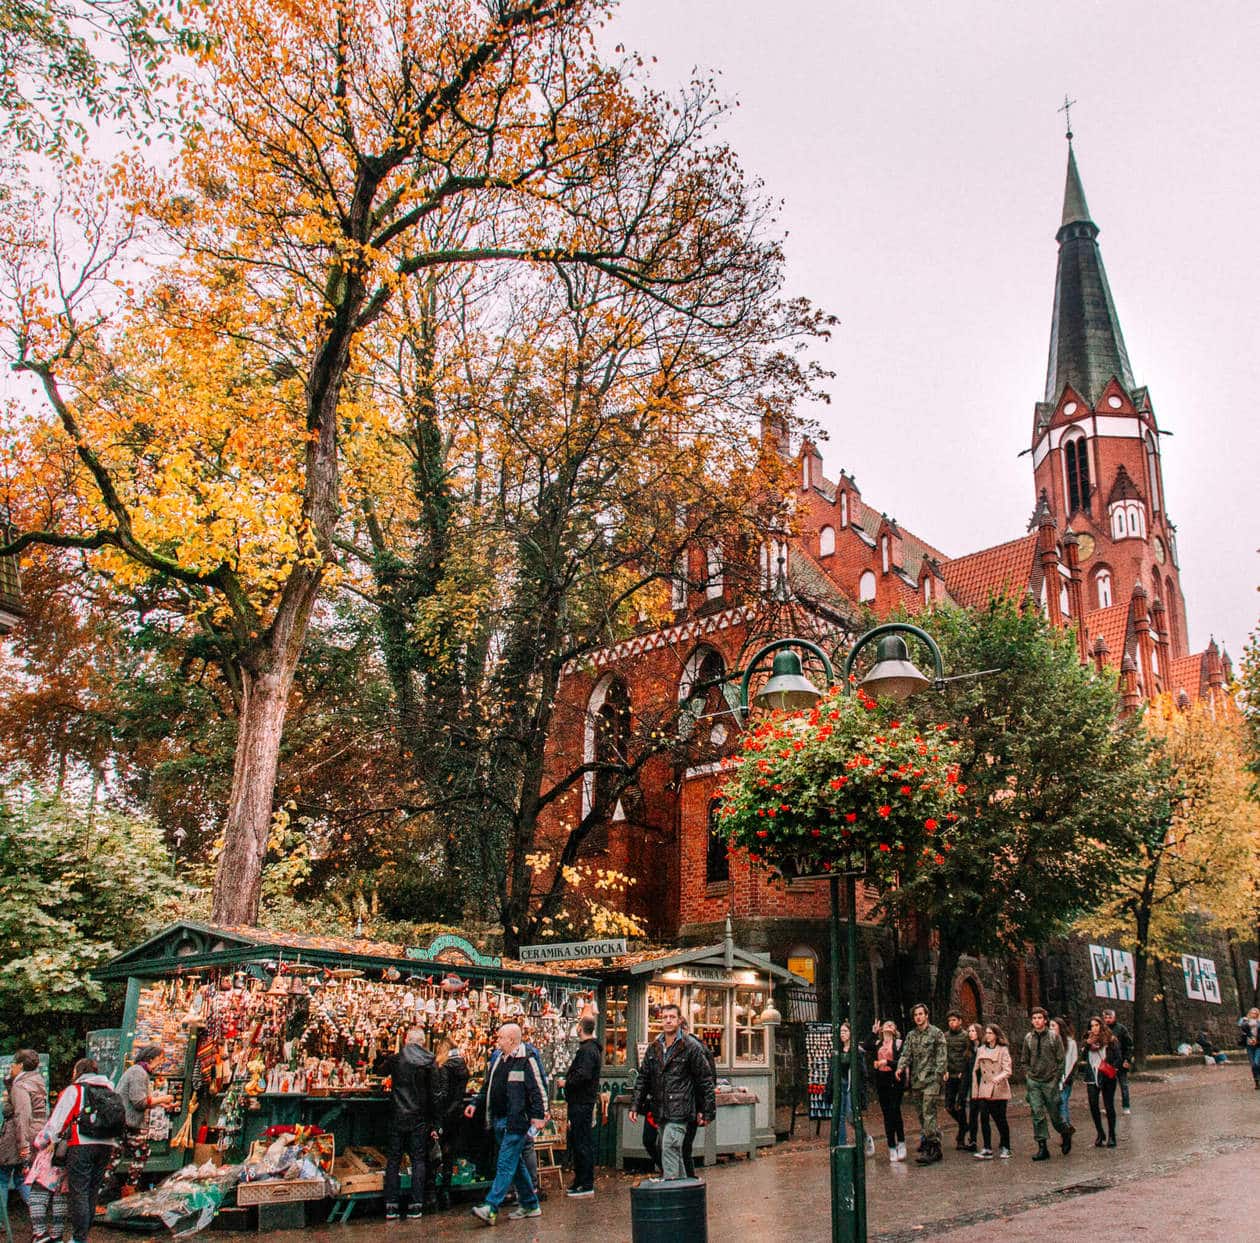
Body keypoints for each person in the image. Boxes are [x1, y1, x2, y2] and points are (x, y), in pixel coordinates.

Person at [34, 1057, 123, 1243]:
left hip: (81, 1144)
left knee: (79, 1192)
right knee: (92, 1191)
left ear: (78, 1071)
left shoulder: (75, 1090)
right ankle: (83, 1235)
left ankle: (78, 1238)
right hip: (106, 1145)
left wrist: (45, 1140)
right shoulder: (109, 1089)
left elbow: (58, 1121)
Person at [466, 1023, 546, 1226]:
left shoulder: (527, 1059)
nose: (497, 1041)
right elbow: (488, 1085)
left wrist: (541, 1114)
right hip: (499, 1120)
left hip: (517, 1121)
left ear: (511, 1040)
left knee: (504, 1163)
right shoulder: (497, 1058)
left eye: (501, 1037)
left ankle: (491, 1207)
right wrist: (476, 1103)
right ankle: (530, 1204)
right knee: (515, 1164)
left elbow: (538, 1088)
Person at [629, 1003, 715, 1181]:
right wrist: (635, 1105)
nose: (668, 1020)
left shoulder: (691, 1046)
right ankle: (684, 1190)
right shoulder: (655, 1047)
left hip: (680, 1109)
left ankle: (669, 1190)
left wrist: (707, 1111)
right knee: (672, 1151)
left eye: (672, 1017)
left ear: (679, 1020)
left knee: (669, 1146)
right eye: (665, 1017)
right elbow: (644, 1077)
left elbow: (705, 1080)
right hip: (661, 1109)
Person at [384, 1025, 437, 1221]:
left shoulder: (396, 1059)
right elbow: (434, 1093)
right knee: (418, 1160)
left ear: (406, 1040)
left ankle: (391, 1206)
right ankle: (416, 1205)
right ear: (423, 1042)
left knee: (394, 1160)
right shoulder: (429, 1061)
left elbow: (379, 1070)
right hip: (419, 1118)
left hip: (397, 1115)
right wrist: (435, 1121)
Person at [109, 1044, 172, 1198]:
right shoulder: (139, 1073)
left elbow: (142, 1100)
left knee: (117, 1157)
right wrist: (163, 1098)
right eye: (160, 1059)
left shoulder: (137, 1071)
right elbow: (139, 1102)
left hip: (124, 1124)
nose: (161, 1062)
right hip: (127, 1124)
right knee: (136, 1152)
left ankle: (124, 1189)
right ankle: (127, 1188)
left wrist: (161, 1103)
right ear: (151, 1059)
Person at [895, 1003, 946, 1166]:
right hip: (917, 1080)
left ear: (926, 1015)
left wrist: (939, 1074)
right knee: (922, 1115)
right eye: (915, 1015)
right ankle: (934, 1141)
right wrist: (900, 1067)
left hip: (931, 1079)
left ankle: (931, 1147)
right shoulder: (911, 1035)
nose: (918, 1017)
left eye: (920, 1014)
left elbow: (941, 1055)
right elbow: (906, 1053)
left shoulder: (936, 1033)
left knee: (928, 1111)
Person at [1021, 1007, 1074, 1161]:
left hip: (1050, 1082)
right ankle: (1042, 1147)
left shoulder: (1053, 1038)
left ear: (1045, 1020)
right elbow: (1024, 1060)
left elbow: (1060, 1060)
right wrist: (1028, 1075)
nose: (1037, 1020)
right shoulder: (1028, 1038)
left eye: (1039, 1018)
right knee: (1037, 1114)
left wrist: (1056, 1078)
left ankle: (1065, 1131)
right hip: (1034, 1082)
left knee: (1055, 1115)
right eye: (1034, 1018)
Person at [0, 1050, 47, 1208]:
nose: (11, 1066)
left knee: (3, 1177)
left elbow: (22, 1116)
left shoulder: (20, 1086)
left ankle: (2, 1219)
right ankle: (37, 1216)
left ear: (20, 1065)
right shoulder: (37, 1081)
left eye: (14, 1063)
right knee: (22, 1177)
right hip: (36, 1133)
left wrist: (23, 1146)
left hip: (18, 1136)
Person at [563, 1017, 602, 1198]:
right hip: (582, 1101)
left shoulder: (587, 1051)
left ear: (580, 1028)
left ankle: (585, 1183)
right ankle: (580, 1181)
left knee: (582, 1143)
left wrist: (566, 1082)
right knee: (580, 1142)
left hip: (581, 1102)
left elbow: (583, 1075)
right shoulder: (591, 1049)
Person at [432, 1036, 470, 1209]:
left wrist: (437, 1114)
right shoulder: (462, 1066)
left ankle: (434, 1193)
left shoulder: (445, 1067)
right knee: (449, 1153)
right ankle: (446, 1190)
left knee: (434, 1152)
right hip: (458, 1113)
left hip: (445, 1114)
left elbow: (443, 1093)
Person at [864, 1019, 906, 1161]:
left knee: (895, 1110)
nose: (888, 1026)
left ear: (895, 1030)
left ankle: (901, 1142)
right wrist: (873, 1032)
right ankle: (891, 1146)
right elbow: (865, 1046)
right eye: (886, 1024)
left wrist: (886, 1062)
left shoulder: (899, 1043)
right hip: (882, 1080)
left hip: (895, 1079)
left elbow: (902, 1062)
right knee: (887, 1114)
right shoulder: (878, 1043)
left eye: (891, 1024)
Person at [970, 1024, 1012, 1159]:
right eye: (986, 1033)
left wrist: (998, 1078)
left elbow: (1007, 1070)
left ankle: (1006, 1146)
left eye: (990, 1033)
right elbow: (975, 1070)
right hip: (984, 1087)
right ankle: (987, 1147)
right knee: (984, 1118)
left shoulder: (1003, 1050)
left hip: (998, 1089)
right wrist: (975, 1090)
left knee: (1000, 1119)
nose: (987, 1035)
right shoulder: (981, 1050)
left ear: (996, 1035)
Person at [1082, 1015, 1121, 1147]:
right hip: (1092, 1075)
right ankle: (1100, 1133)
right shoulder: (1087, 1040)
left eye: (1096, 1025)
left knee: (1109, 1105)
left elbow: (1117, 1057)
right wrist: (1087, 1044)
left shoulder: (1110, 1040)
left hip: (1106, 1075)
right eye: (1092, 1026)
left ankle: (1112, 1135)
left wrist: (1113, 1069)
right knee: (1093, 1105)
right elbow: (1082, 1057)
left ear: (1101, 1025)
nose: (1094, 1028)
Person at [942, 1011, 972, 1152]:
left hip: (962, 1076)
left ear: (960, 1021)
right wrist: (945, 1070)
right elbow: (943, 1055)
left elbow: (968, 1055)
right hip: (950, 1075)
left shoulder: (966, 1036)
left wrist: (964, 1071)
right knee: (948, 1106)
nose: (951, 1023)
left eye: (954, 1020)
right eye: (949, 1021)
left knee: (960, 1105)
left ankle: (960, 1138)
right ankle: (964, 1124)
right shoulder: (945, 1036)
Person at [1102, 1008, 1133, 1114]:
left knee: (1123, 1085)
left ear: (1114, 1017)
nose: (1108, 1019)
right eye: (1105, 1017)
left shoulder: (1121, 1029)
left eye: (1110, 1017)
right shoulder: (1102, 1030)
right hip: (1108, 1063)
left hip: (1120, 1062)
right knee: (1108, 1087)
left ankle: (1126, 1106)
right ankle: (1108, 1107)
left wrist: (1127, 1059)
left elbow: (1129, 1045)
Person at [1050, 1017, 1077, 1131]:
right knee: (1056, 1106)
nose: (1050, 1028)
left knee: (1062, 1103)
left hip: (1066, 1079)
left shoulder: (1071, 1043)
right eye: (1050, 1026)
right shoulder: (1050, 1042)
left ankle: (1065, 1130)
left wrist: (1067, 1078)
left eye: (1053, 1026)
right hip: (1053, 1079)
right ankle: (1067, 1127)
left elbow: (1073, 1060)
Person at [1239, 1007, 1260, 1090]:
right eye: (1252, 1012)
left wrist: (1256, 1040)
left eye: (1255, 1013)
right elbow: (1240, 1025)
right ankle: (1257, 1082)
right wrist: (1244, 1020)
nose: (1253, 1014)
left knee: (1257, 1063)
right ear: (1249, 1013)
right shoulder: (1245, 1020)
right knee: (1253, 1065)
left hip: (1258, 1045)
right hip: (1249, 1045)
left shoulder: (1259, 1021)